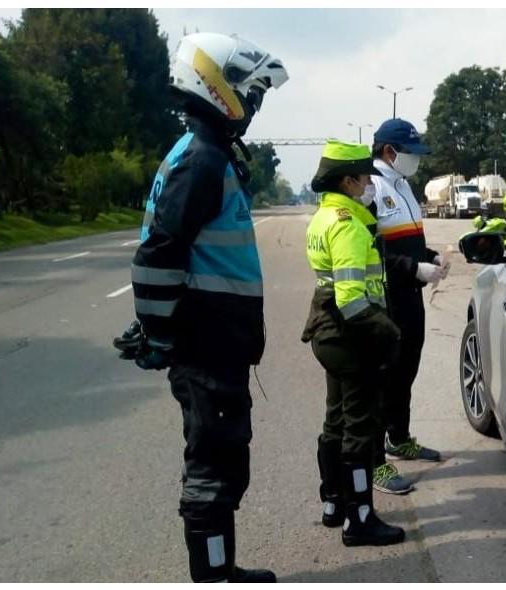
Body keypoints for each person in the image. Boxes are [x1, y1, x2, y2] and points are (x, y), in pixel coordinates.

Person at [125, 32, 287, 583]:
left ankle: (224, 569)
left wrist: (158, 325)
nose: (256, 105)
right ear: (217, 86)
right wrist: (159, 332)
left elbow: (178, 254)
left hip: (214, 341)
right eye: (253, 93)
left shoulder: (206, 153)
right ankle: (214, 578)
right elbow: (159, 251)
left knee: (224, 457)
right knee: (213, 466)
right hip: (207, 346)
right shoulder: (201, 159)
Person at [302, 140, 407, 546]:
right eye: (364, 178)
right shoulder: (347, 224)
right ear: (348, 180)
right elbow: (351, 300)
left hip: (328, 333)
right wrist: (389, 332)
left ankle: (333, 503)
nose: (369, 185)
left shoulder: (324, 216)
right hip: (350, 336)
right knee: (360, 430)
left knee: (336, 420)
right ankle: (359, 519)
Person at [368, 119, 448, 495]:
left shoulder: (403, 185)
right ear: (389, 152)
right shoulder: (370, 187)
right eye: (410, 153)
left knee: (406, 370)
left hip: (410, 295)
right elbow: (371, 252)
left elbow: (408, 241)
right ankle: (373, 463)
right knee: (382, 378)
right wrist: (413, 267)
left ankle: (397, 438)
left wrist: (429, 257)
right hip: (385, 298)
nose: (415, 161)